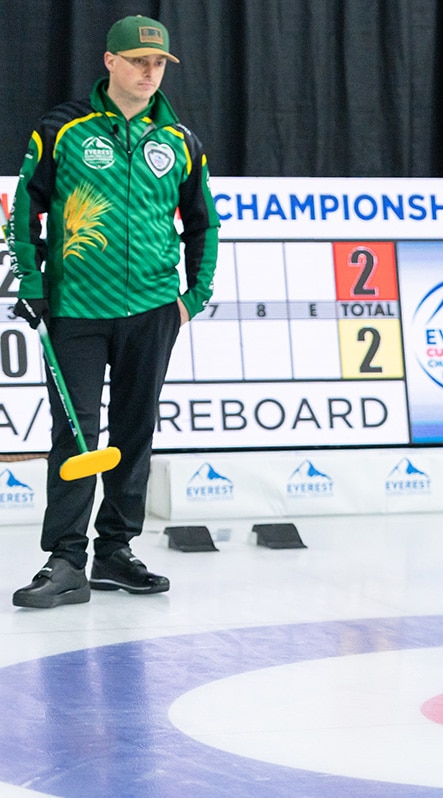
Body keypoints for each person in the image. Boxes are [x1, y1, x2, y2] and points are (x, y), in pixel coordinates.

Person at [8, 15, 219, 609]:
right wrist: (31, 279)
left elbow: (205, 225)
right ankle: (66, 559)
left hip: (153, 309)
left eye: (158, 65)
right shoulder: (63, 128)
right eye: (137, 62)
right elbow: (25, 205)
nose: (149, 73)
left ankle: (116, 553)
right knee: (75, 434)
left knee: (134, 430)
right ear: (109, 61)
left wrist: (191, 299)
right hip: (75, 307)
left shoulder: (180, 141)